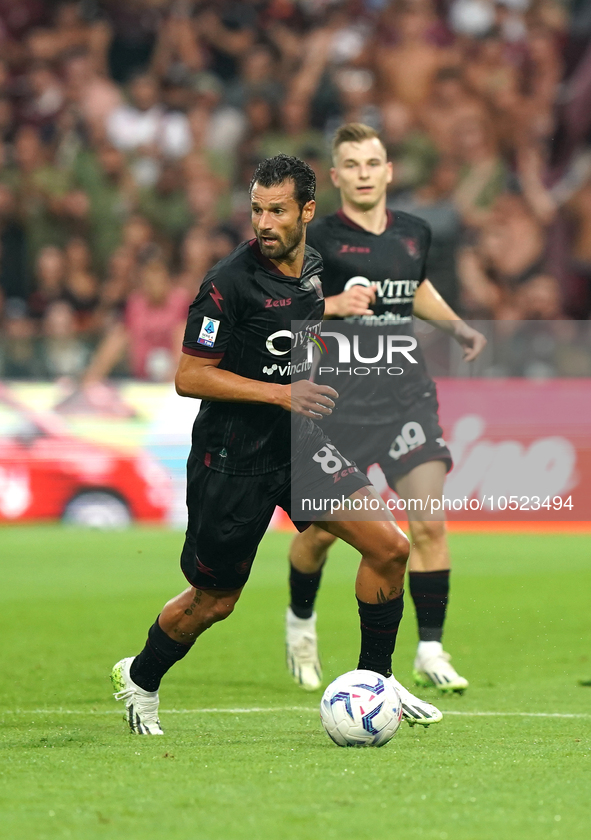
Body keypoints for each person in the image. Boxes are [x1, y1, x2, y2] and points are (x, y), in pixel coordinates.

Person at [110, 154, 443, 734]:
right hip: (231, 459)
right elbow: (190, 377)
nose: (264, 222)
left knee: (389, 547)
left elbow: (298, 336)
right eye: (257, 210)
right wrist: (281, 394)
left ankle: (376, 683)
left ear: (307, 211)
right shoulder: (227, 284)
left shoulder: (313, 268)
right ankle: (141, 677)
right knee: (214, 601)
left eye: (277, 210)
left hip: (298, 445)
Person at [284, 125, 486, 695]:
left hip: (405, 397)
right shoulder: (315, 236)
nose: (365, 172)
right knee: (323, 536)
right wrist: (333, 306)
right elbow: (282, 309)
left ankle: (430, 650)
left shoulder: (415, 232)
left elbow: (414, 288)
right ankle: (301, 624)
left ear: (389, 170)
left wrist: (457, 326)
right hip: (338, 404)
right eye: (353, 163)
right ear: (337, 175)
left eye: (374, 162)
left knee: (428, 522)